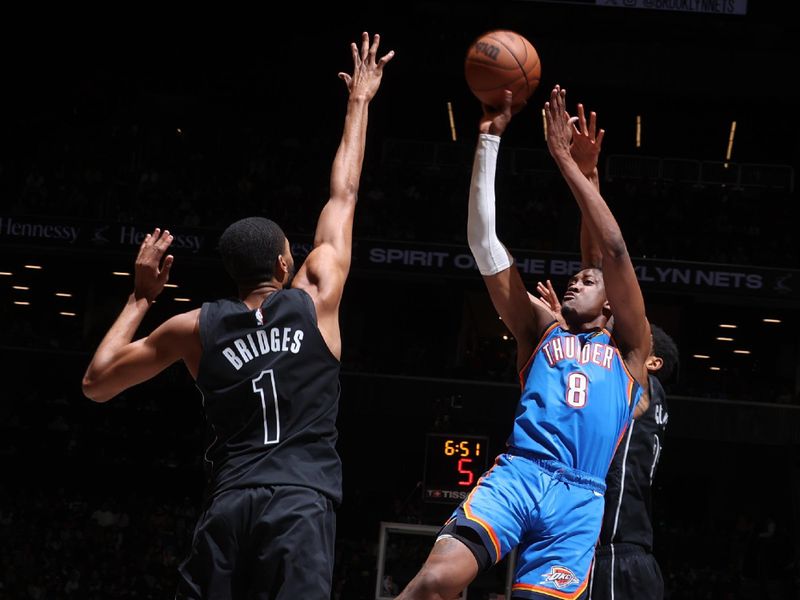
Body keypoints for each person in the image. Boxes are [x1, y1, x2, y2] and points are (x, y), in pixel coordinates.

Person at [81, 32, 393, 600]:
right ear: (284, 261)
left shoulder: (195, 327)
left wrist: (141, 298)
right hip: (299, 503)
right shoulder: (316, 294)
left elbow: (97, 384)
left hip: (230, 505)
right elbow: (343, 194)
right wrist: (360, 102)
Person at [395, 85, 652, 600]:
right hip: (521, 473)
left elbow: (615, 250)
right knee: (435, 581)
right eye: (575, 277)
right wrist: (488, 142)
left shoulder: (631, 353)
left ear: (611, 307)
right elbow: (484, 246)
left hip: (580, 501)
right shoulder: (541, 328)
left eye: (589, 280)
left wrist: (569, 165)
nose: (576, 280)